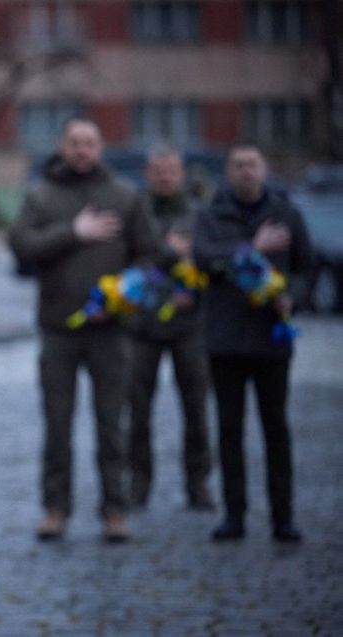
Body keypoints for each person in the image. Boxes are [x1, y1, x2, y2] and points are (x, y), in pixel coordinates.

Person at [9, 117, 156, 542]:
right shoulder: (41, 195)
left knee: (112, 425)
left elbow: (150, 256)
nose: (81, 150)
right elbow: (22, 246)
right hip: (58, 331)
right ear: (63, 146)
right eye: (74, 142)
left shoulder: (125, 196)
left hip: (111, 331)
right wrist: (73, 232)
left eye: (89, 142)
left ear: (101, 146)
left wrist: (126, 291)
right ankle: (55, 509)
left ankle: (115, 510)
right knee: (57, 425)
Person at [193, 143, 313, 543]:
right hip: (225, 340)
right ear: (227, 172)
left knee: (275, 428)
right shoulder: (211, 217)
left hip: (270, 340)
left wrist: (292, 295)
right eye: (239, 165)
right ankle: (234, 515)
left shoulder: (287, 214)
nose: (246, 172)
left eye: (253, 165)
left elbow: (305, 268)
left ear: (264, 169)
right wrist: (250, 249)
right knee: (229, 430)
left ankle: (283, 516)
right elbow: (204, 261)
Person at [126, 146, 213, 510]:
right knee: (137, 413)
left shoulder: (199, 215)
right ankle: (138, 484)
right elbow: (126, 262)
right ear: (147, 173)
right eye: (158, 170)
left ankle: (198, 484)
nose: (165, 176)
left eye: (172, 170)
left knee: (196, 410)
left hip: (189, 327)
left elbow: (216, 262)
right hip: (141, 326)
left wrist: (196, 291)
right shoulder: (135, 212)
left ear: (181, 173)